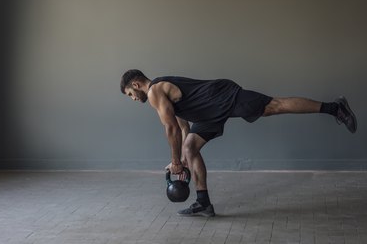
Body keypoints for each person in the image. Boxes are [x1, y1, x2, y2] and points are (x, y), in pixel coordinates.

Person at [120, 69, 357, 217]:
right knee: (190, 147)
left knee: (273, 107)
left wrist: (174, 163)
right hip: (206, 115)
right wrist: (181, 160)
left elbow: (169, 128)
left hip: (221, 96)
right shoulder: (163, 94)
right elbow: (182, 127)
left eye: (131, 94)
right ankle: (203, 203)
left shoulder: (154, 91)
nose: (133, 99)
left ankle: (335, 108)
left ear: (136, 84)